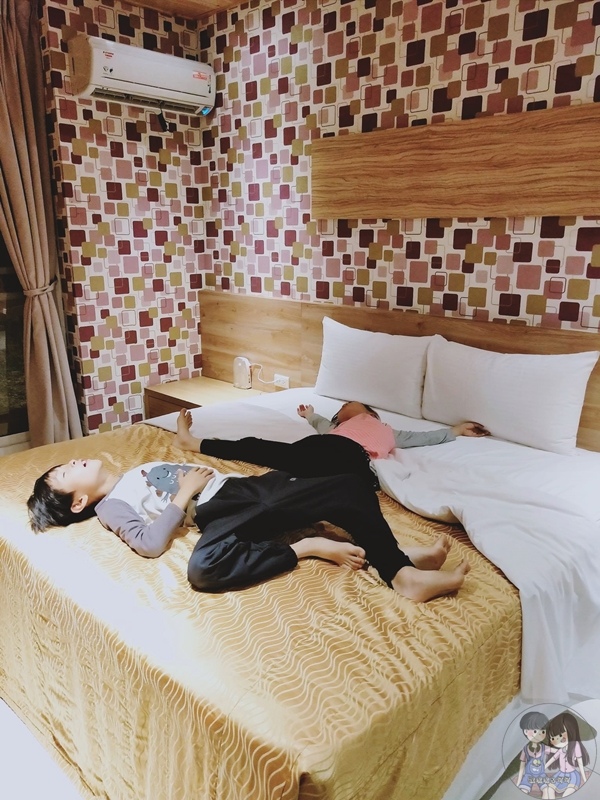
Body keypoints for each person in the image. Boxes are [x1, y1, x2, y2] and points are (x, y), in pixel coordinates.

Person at [26, 445, 470, 600]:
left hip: (241, 490)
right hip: (219, 506)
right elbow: (148, 543)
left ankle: (393, 559)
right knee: (203, 567)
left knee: (347, 482)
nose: (73, 462)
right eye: (65, 472)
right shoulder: (110, 507)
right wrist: (183, 492)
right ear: (79, 502)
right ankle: (385, 570)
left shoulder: (128, 475)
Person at [172, 400, 489, 488]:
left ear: (370, 414)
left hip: (352, 459)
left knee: (301, 473)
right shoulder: (337, 428)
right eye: (341, 411)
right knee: (258, 446)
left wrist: (456, 429)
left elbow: (425, 437)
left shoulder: (389, 431)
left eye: (349, 407)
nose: (343, 410)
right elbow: (322, 424)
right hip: (321, 450)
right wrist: (310, 414)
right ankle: (194, 443)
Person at [544, 712, 589, 797]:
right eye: (552, 738)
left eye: (560, 735)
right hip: (560, 775)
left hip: (572, 776)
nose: (557, 740)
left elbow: (580, 763)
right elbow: (553, 758)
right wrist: (543, 768)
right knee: (549, 789)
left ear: (571, 730)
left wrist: (584, 778)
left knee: (566, 795)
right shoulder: (561, 750)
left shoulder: (575, 746)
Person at [515, 711, 552, 797]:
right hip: (528, 775)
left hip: (541, 775)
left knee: (546, 790)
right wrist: (519, 781)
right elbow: (522, 766)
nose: (539, 734)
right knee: (523, 790)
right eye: (535, 731)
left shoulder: (544, 747)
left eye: (543, 732)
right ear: (525, 731)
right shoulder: (525, 749)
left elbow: (556, 751)